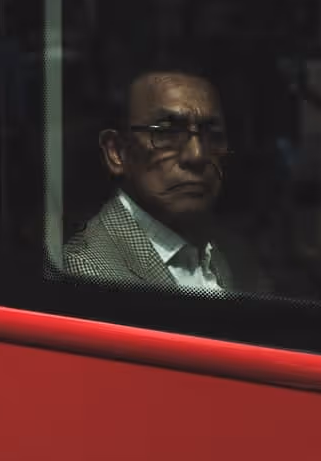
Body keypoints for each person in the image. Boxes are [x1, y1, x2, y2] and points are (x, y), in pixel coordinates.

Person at [63, 57, 269, 294]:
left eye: (213, 134)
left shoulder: (233, 252)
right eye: (167, 133)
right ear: (117, 152)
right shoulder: (89, 270)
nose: (197, 155)